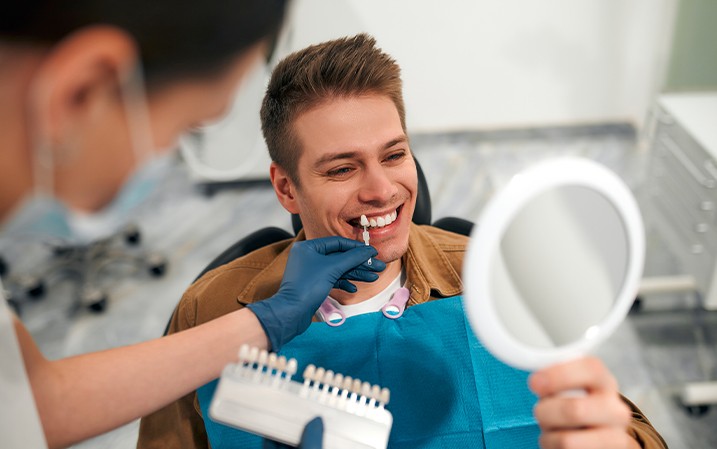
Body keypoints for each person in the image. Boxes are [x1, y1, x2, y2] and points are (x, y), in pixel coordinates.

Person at [138, 34, 668, 449]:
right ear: (286, 187)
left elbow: (635, 434)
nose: (382, 190)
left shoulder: (502, 282)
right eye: (343, 168)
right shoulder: (209, 313)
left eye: (394, 155)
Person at [0, 3, 382, 448]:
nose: (378, 188)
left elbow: (34, 402)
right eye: (186, 128)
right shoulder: (205, 301)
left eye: (394, 155)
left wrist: (267, 322)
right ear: (81, 92)